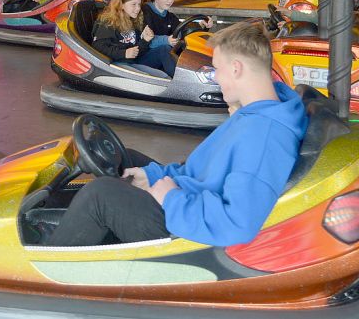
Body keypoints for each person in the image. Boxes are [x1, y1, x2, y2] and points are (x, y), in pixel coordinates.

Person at [46, 21, 308, 247]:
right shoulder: (255, 111)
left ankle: (45, 276)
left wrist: (171, 197)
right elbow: (202, 170)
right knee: (129, 159)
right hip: (192, 200)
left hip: (190, 232)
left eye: (217, 68)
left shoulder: (264, 135)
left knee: (100, 195)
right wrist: (154, 176)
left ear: (237, 68)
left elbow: (237, 224)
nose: (215, 77)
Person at [92, 0, 176, 78]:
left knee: (164, 50)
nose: (138, 8)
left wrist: (145, 40)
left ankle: (182, 82)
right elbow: (98, 46)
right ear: (121, 4)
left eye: (139, 4)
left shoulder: (133, 21)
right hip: (117, 63)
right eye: (133, 4)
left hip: (134, 61)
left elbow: (138, 51)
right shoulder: (108, 22)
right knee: (158, 78)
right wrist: (123, 53)